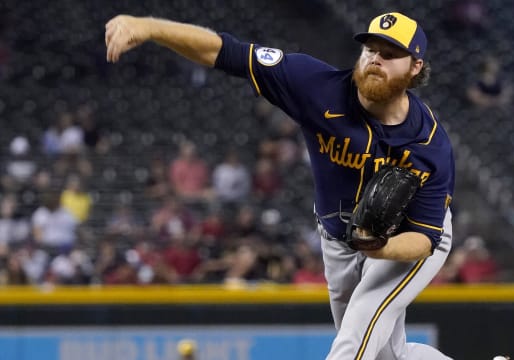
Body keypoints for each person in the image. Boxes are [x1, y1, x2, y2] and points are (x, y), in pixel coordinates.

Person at [106, 11, 455, 360]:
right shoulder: (316, 86)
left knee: (356, 333)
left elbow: (425, 238)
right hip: (338, 237)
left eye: (390, 54)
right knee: (385, 356)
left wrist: (380, 248)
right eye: (370, 49)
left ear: (415, 67)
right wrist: (150, 28)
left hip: (406, 239)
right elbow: (224, 52)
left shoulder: (430, 145)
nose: (375, 59)